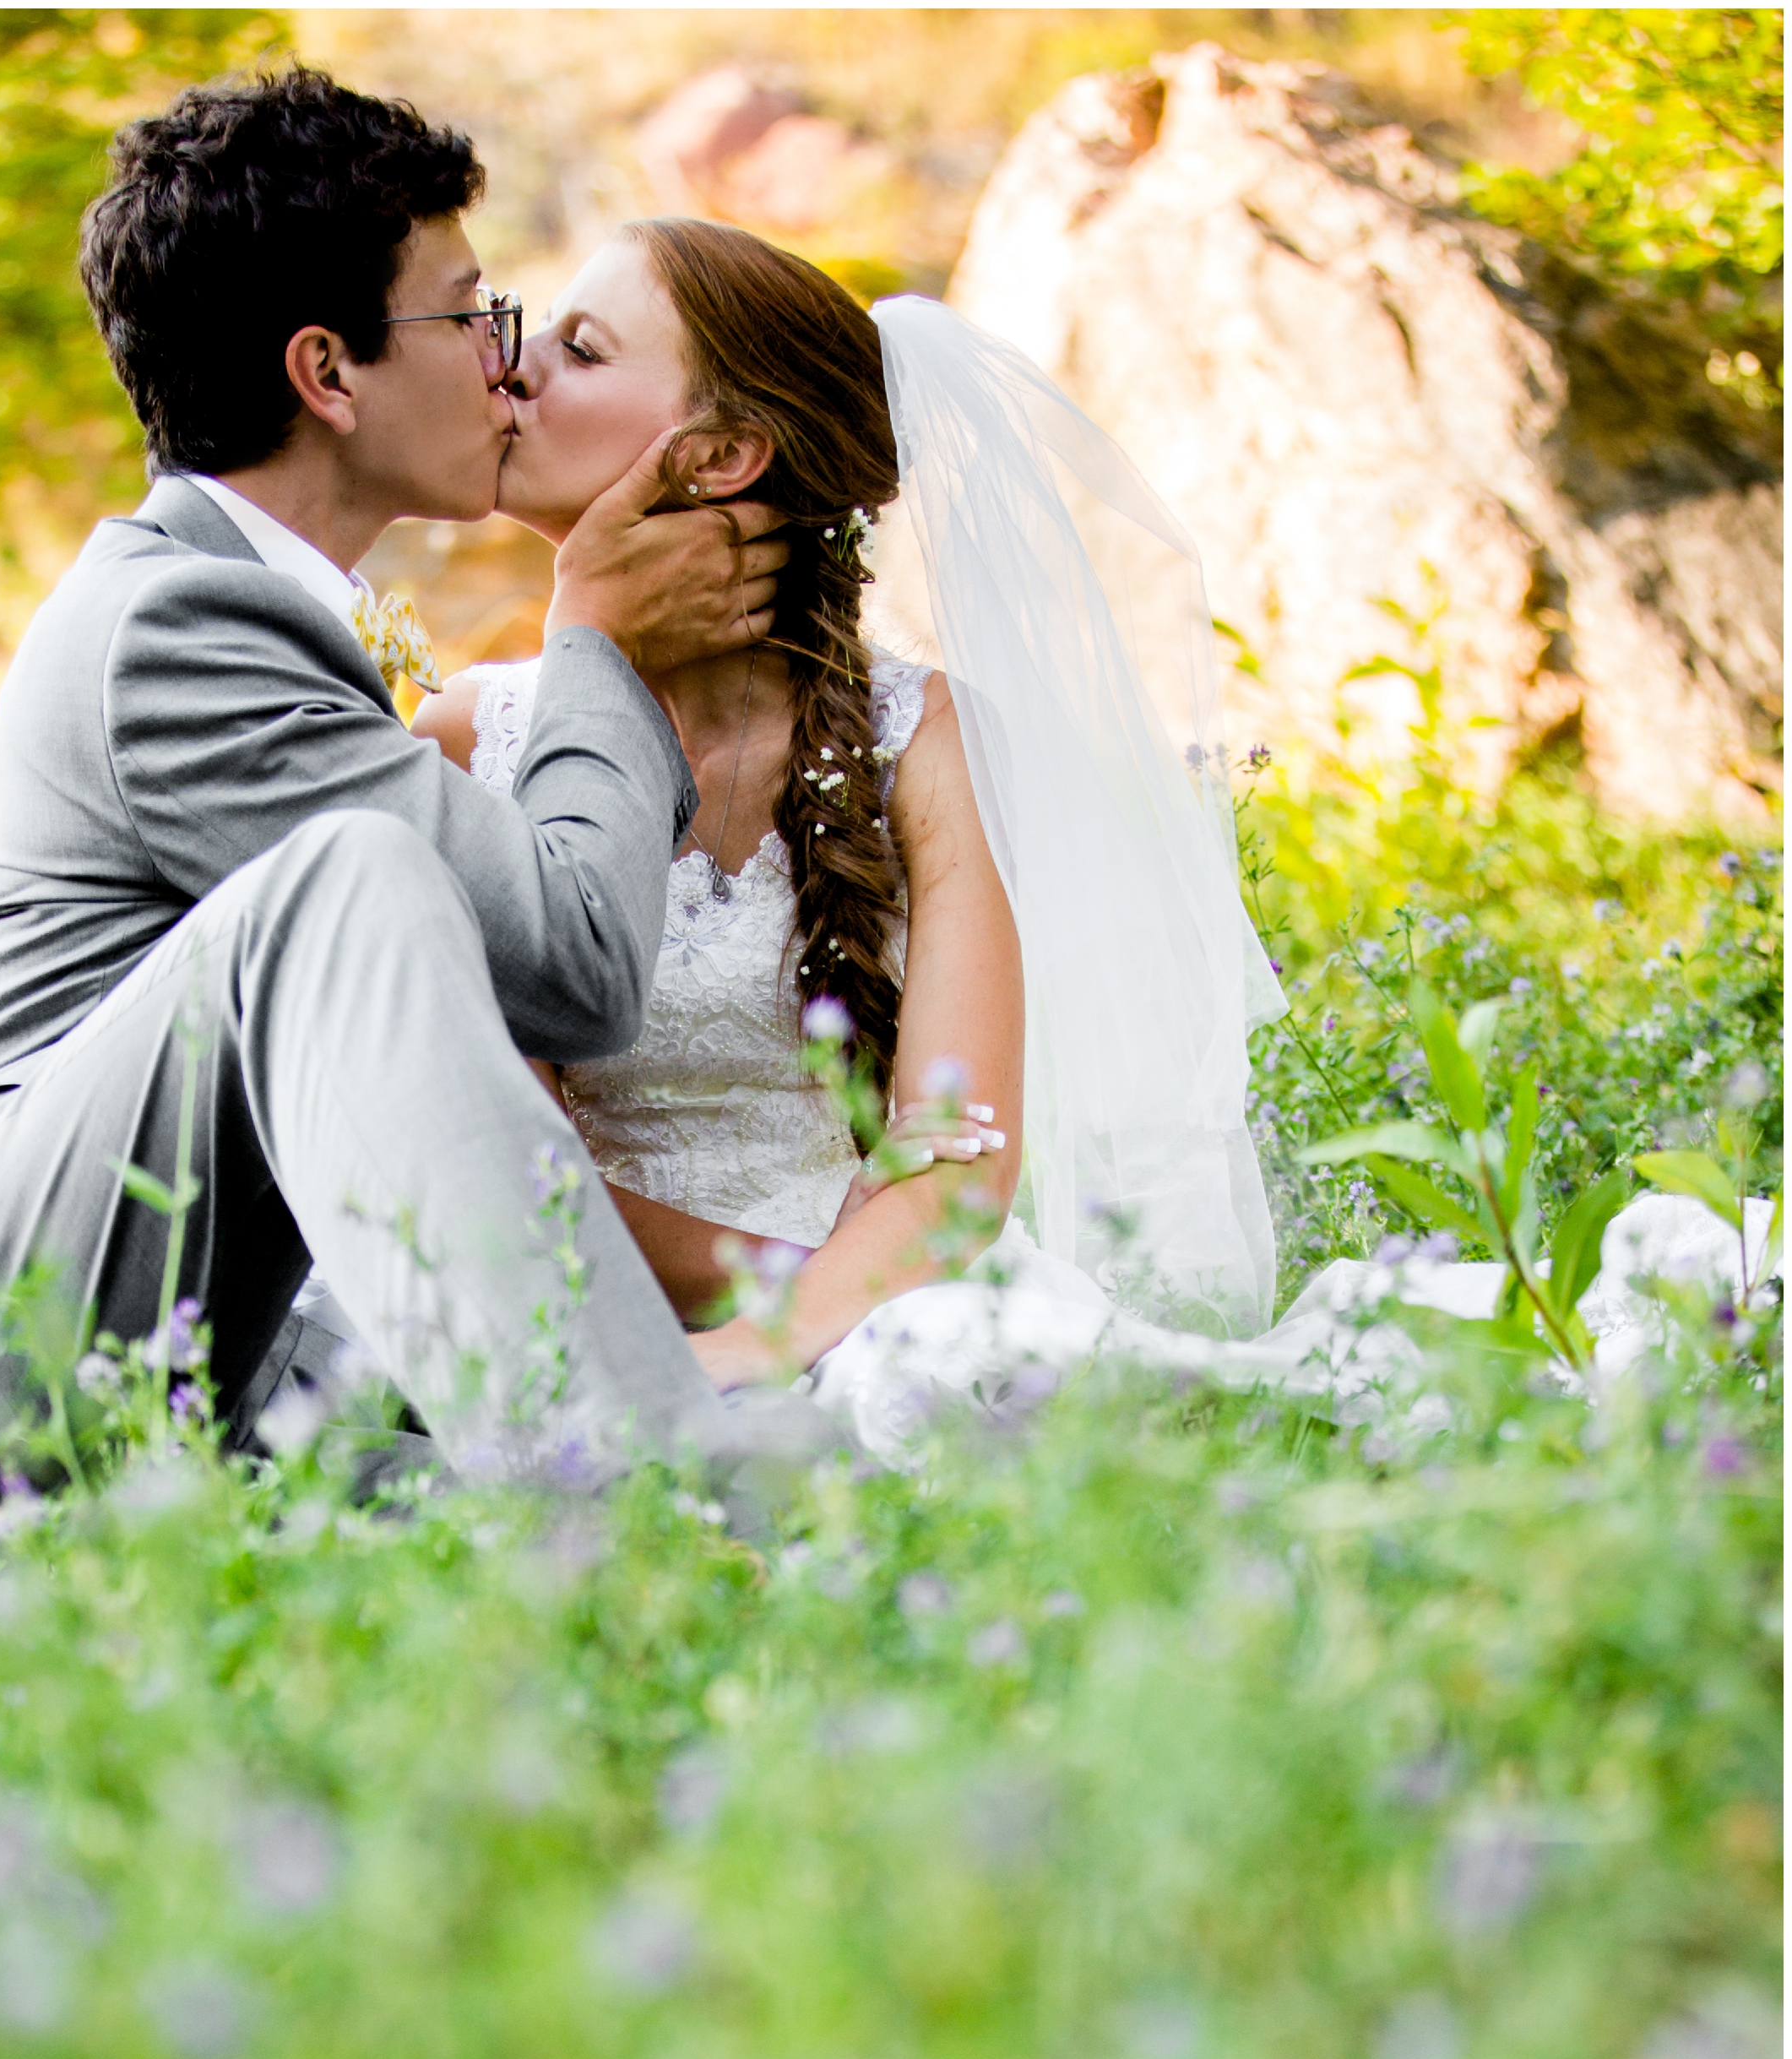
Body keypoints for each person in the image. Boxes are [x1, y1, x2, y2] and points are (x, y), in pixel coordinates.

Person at [0, 73, 799, 1599]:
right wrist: (595, 634)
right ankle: (638, 1520)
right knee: (355, 874)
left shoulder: (258, 611)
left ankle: (645, 1489)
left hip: (194, 1366)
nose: (507, 366)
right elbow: (581, 966)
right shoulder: (172, 622)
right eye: (471, 316)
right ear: (330, 371)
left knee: (855, 1456)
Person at [325, 216, 1282, 1461]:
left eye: (582, 347)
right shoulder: (468, 739)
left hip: (880, 1307)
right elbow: (511, 1160)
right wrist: (756, 1324)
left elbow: (961, 1168)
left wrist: (789, 1337)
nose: (514, 369)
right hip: (589, 1302)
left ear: (720, 455)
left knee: (938, 1377)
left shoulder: (919, 737)